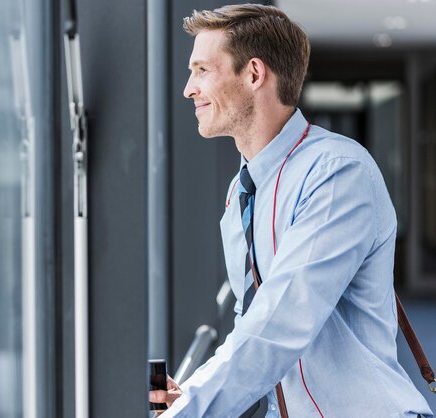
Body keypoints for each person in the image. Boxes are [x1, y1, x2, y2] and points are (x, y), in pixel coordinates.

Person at [150, 4, 433, 418]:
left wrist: (191, 408)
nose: (188, 88)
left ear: (253, 74)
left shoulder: (336, 172)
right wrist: (192, 392)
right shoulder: (241, 193)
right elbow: (253, 323)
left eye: (203, 70)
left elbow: (282, 321)